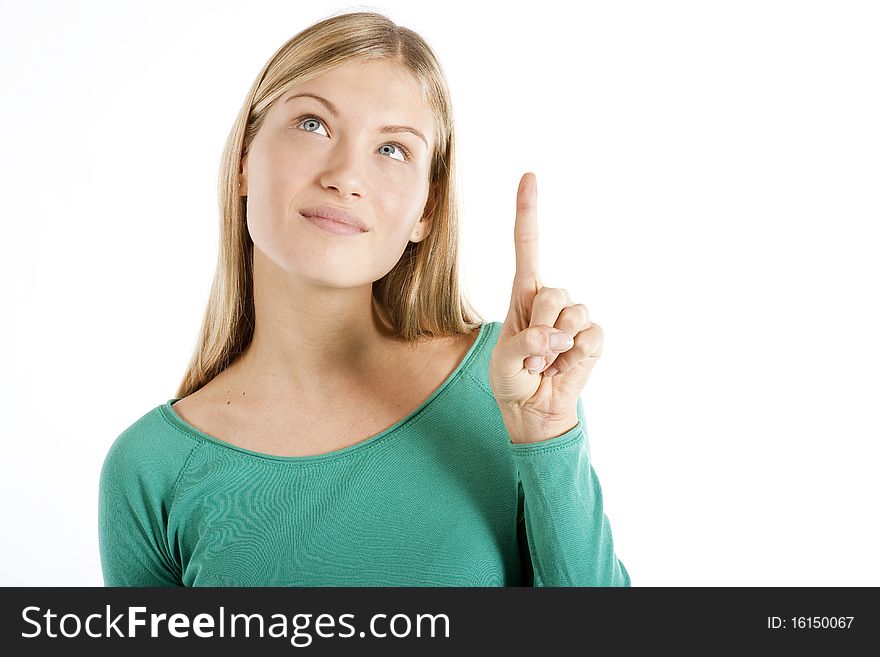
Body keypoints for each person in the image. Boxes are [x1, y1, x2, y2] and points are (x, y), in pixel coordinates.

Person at [98, 9, 630, 587]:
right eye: (312, 124)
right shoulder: (152, 469)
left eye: (393, 149)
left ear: (426, 209)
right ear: (246, 159)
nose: (346, 175)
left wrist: (546, 434)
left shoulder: (507, 389)